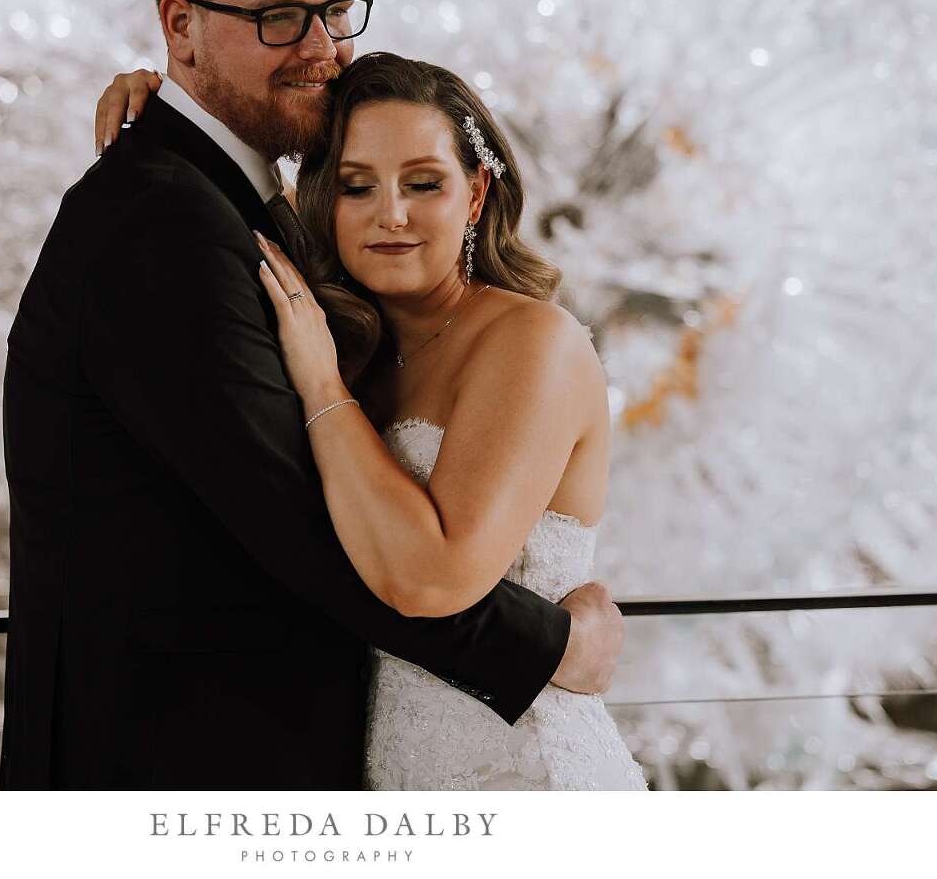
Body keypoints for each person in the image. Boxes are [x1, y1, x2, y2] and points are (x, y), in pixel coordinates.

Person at [1, 0, 624, 790]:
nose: (321, 46)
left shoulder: (230, 202)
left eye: (336, 11)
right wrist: (553, 646)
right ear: (181, 27)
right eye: (279, 18)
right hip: (179, 770)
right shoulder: (166, 222)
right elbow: (303, 528)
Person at [95, 51, 646, 789]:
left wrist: (322, 381)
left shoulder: (532, 341)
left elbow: (432, 580)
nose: (391, 213)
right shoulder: (346, 339)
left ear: (476, 193)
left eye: (424, 183)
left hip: (526, 775)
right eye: (358, 187)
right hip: (386, 777)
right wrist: (170, 112)